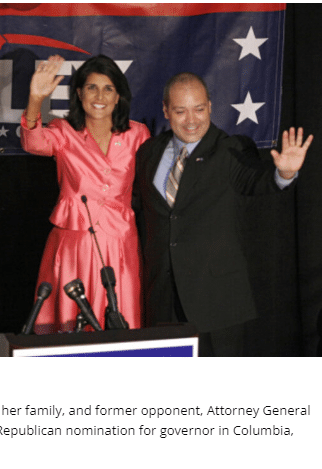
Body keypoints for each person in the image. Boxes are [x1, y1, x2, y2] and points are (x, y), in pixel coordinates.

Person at [132, 72, 314, 356]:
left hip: (216, 305)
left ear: (210, 107)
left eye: (199, 109)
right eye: (180, 111)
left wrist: (284, 173)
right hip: (162, 299)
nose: (191, 120)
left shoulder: (231, 150)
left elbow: (256, 179)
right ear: (166, 110)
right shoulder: (148, 152)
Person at [21, 55, 150, 333]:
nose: (99, 96)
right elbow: (33, 143)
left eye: (108, 88)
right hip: (73, 245)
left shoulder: (138, 135)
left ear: (118, 97)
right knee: (70, 329)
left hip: (120, 246)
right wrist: (35, 99)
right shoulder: (63, 131)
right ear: (79, 93)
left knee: (121, 327)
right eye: (91, 87)